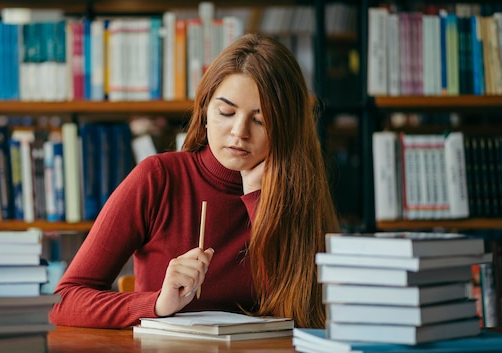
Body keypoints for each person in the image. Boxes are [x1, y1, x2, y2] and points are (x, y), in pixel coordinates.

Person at [49, 33, 340, 329]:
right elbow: (65, 300)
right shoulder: (158, 179)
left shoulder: (302, 192)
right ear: (203, 112)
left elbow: (308, 314)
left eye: (260, 120)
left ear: (287, 127)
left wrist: (258, 200)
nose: (239, 131)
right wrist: (157, 304)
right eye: (226, 112)